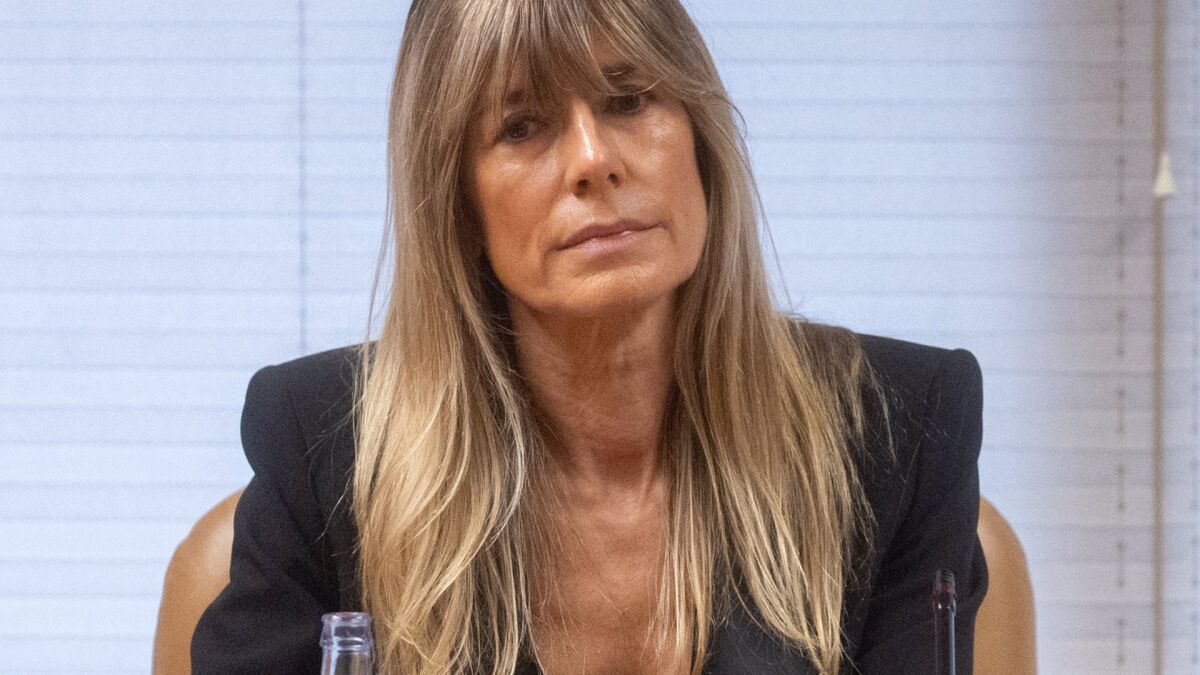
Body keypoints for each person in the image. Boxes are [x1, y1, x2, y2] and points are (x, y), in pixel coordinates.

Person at [192, 0, 987, 673]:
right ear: (459, 205)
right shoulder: (323, 451)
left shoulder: (898, 432)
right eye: (522, 126)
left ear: (701, 140)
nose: (593, 159)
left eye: (630, 99)